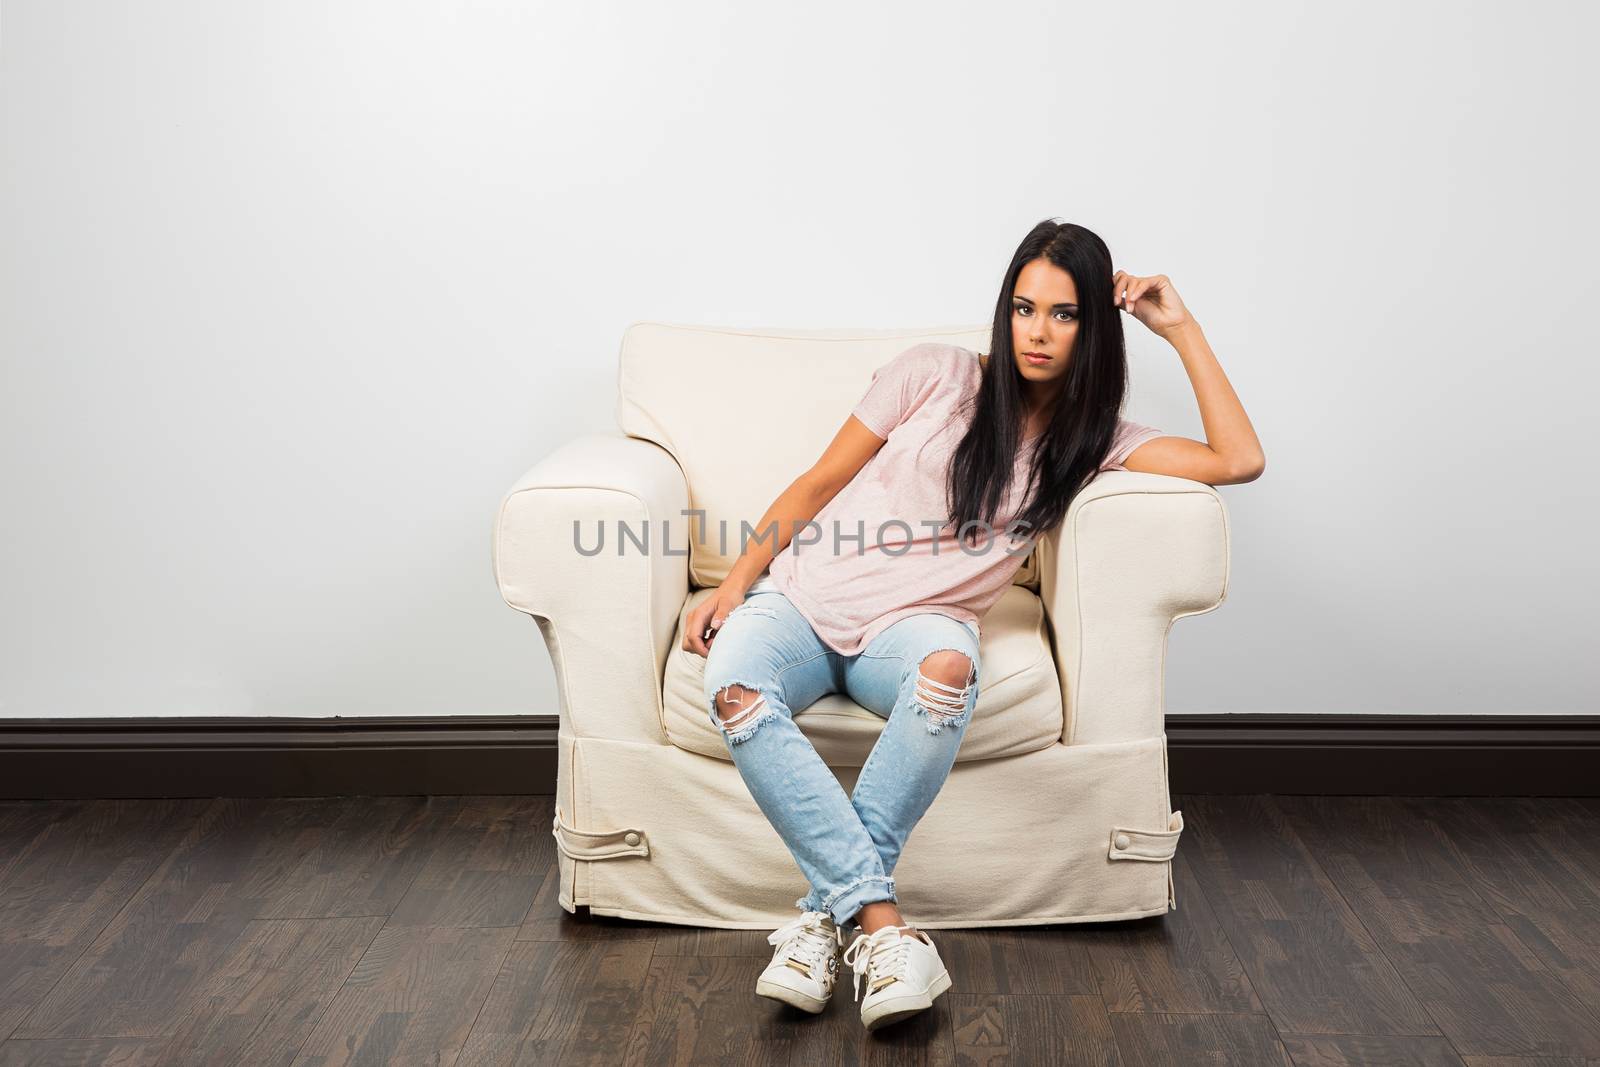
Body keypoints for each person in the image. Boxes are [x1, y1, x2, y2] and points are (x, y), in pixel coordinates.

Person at [682, 218, 1266, 1031]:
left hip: (920, 627)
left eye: (1064, 314)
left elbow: (1239, 459)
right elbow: (819, 481)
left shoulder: (1092, 444)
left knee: (949, 671)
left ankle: (822, 921)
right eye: (1025, 307)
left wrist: (1181, 326)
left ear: (1093, 328)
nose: (1038, 331)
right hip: (804, 599)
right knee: (734, 686)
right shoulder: (936, 374)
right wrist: (736, 584)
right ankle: (879, 927)